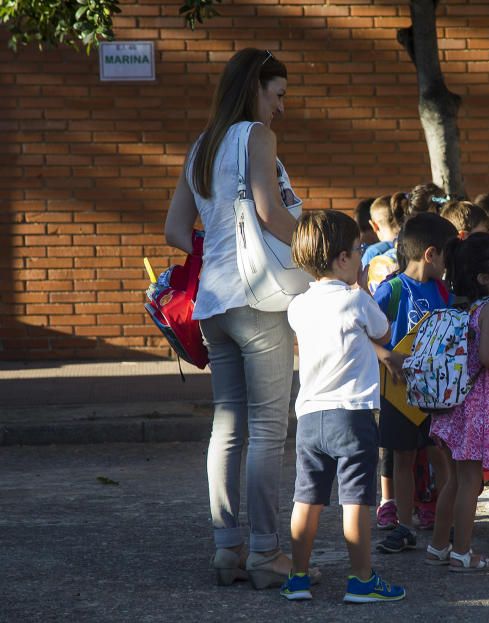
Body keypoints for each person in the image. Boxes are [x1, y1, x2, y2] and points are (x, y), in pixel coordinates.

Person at [164, 48, 306, 588]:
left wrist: (219, 238)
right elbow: (271, 215)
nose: (281, 108)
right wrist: (320, 252)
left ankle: (229, 549)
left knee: (227, 428)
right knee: (269, 430)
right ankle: (268, 554)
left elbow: (176, 232)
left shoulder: (200, 146)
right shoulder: (256, 137)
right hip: (260, 299)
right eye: (278, 95)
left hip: (213, 305)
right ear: (255, 89)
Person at [280, 210, 405, 603]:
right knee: (355, 500)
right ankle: (362, 579)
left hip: (310, 416)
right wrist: (365, 289)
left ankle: (297, 577)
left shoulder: (298, 306)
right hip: (352, 415)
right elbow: (383, 330)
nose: (361, 257)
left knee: (307, 498)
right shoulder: (356, 300)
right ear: (342, 259)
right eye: (358, 250)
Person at [425, 233, 489, 571]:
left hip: (455, 405)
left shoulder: (472, 305)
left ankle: (440, 546)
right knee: (471, 482)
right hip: (475, 408)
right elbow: (487, 356)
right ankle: (462, 553)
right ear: (485, 278)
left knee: (454, 480)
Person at [373, 213, 458, 555]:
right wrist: (386, 355)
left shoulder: (443, 290)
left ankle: (446, 519)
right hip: (399, 395)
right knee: (404, 458)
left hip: (438, 392)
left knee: (441, 455)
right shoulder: (391, 290)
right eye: (449, 255)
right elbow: (361, 333)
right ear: (431, 254)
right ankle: (404, 526)